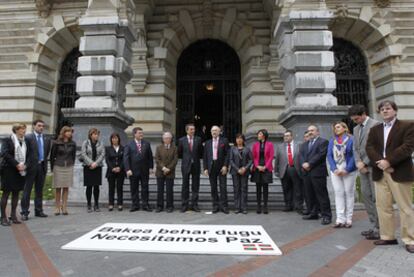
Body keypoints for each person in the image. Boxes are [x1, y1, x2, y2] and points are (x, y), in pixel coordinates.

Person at [366, 100, 414, 253]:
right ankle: (388, 236)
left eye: (388, 108)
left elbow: (408, 147)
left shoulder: (407, 125)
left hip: (399, 171)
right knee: (383, 206)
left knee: (405, 207)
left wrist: (389, 161)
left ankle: (410, 239)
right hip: (380, 172)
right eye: (382, 109)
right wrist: (380, 162)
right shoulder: (375, 129)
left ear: (395, 110)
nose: (385, 111)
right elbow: (370, 147)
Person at [349, 104, 380, 239]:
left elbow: (377, 146)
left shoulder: (376, 124)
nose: (355, 122)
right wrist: (358, 163)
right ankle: (374, 226)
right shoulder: (356, 129)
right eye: (353, 120)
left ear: (363, 114)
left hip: (374, 167)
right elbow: (355, 148)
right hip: (362, 168)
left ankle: (381, 228)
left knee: (376, 198)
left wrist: (365, 162)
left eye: (356, 119)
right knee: (366, 197)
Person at [327, 122, 357, 228]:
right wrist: (334, 169)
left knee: (349, 193)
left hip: (348, 169)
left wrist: (347, 169)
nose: (336, 129)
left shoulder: (351, 139)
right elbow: (329, 155)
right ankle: (340, 219)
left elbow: (354, 155)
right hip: (335, 169)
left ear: (345, 128)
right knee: (338, 193)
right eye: (335, 128)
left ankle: (348, 219)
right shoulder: (332, 141)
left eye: (338, 127)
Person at [300, 125, 332, 225]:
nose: (310, 132)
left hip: (318, 172)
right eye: (309, 131)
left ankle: (326, 215)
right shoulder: (304, 144)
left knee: (322, 195)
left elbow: (321, 155)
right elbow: (301, 156)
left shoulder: (323, 142)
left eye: (312, 130)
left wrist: (310, 164)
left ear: (317, 132)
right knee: (310, 194)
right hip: (307, 173)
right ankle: (313, 213)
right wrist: (304, 164)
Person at [20, 119, 51, 220]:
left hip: (42, 166)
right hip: (31, 167)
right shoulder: (28, 137)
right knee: (27, 190)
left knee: (39, 190)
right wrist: (26, 165)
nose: (41, 127)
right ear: (34, 126)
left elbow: (46, 153)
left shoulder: (46, 139)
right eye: (39, 125)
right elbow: (25, 152)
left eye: (42, 126)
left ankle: (39, 210)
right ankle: (24, 212)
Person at [0, 123, 30, 226]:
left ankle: (13, 215)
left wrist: (25, 165)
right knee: (6, 193)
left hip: (20, 171)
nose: (24, 131)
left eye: (24, 129)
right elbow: (4, 153)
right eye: (22, 129)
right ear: (16, 130)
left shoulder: (24, 142)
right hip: (8, 170)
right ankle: (3, 217)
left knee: (16, 193)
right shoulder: (7, 140)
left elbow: (28, 155)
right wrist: (16, 164)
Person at [124, 127, 154, 212]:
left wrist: (151, 167)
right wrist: (127, 169)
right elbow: (126, 158)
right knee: (134, 188)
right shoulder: (129, 144)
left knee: (145, 188)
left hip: (144, 171)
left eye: (142, 133)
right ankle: (135, 205)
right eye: (139, 133)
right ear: (135, 134)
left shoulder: (146, 144)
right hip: (133, 171)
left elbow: (150, 157)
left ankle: (145, 205)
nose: (141, 134)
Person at [274, 130, 304, 213]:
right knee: (286, 189)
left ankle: (299, 206)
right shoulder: (280, 147)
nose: (286, 137)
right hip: (284, 170)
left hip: (296, 169)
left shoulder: (299, 145)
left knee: (298, 189)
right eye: (284, 136)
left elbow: (302, 157)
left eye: (287, 136)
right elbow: (277, 159)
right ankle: (288, 205)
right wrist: (276, 170)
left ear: (291, 136)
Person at [50, 126, 76, 215]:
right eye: (68, 131)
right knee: (58, 187)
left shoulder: (73, 143)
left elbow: (73, 155)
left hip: (68, 166)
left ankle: (64, 206)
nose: (69, 133)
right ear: (63, 132)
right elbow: (52, 156)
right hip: (58, 166)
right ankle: (57, 207)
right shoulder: (56, 143)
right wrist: (52, 167)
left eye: (70, 132)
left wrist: (71, 163)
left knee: (66, 187)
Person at [204, 125, 230, 214]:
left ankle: (224, 206)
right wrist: (205, 168)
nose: (214, 132)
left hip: (221, 167)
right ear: (211, 132)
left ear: (219, 132)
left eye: (216, 130)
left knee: (223, 187)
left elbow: (227, 154)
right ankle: (215, 206)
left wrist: (225, 166)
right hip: (211, 167)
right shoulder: (207, 143)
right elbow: (205, 156)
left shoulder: (224, 141)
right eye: (212, 131)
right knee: (213, 188)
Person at [178, 123, 203, 212]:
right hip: (185, 165)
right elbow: (179, 153)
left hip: (196, 165)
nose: (193, 131)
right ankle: (184, 205)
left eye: (194, 129)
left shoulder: (198, 139)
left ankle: (194, 205)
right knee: (185, 186)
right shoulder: (181, 140)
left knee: (195, 186)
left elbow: (201, 152)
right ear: (187, 130)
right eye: (191, 129)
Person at [80, 128, 105, 213]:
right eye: (94, 134)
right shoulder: (85, 143)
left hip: (97, 167)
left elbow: (102, 154)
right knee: (89, 186)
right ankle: (89, 204)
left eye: (97, 134)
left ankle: (96, 204)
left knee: (96, 186)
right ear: (90, 135)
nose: (96, 136)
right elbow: (83, 154)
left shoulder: (101, 143)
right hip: (88, 167)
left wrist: (96, 164)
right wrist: (91, 163)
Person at [251, 129, 274, 214]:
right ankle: (258, 206)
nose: (258, 135)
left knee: (265, 188)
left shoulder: (270, 144)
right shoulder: (255, 145)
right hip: (257, 168)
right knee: (258, 188)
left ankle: (265, 206)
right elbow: (253, 157)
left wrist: (265, 167)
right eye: (258, 134)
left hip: (266, 168)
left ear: (264, 135)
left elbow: (271, 157)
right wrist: (257, 166)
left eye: (260, 134)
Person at [154, 132, 178, 213]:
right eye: (165, 138)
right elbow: (157, 159)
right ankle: (159, 206)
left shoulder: (174, 148)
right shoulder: (158, 147)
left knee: (169, 190)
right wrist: (163, 168)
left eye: (169, 138)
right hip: (160, 171)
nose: (167, 139)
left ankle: (170, 206)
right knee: (160, 190)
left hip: (170, 172)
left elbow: (175, 160)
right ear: (163, 139)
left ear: (171, 139)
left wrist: (168, 168)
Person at [229, 133, 252, 214]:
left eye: (240, 138)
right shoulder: (232, 149)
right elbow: (231, 160)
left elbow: (250, 160)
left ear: (243, 139)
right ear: (235, 140)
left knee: (244, 189)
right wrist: (237, 169)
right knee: (236, 189)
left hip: (244, 172)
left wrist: (245, 168)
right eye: (237, 138)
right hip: (235, 172)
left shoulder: (247, 149)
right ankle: (237, 207)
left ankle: (244, 207)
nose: (239, 140)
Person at [105, 133, 125, 211]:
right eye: (113, 138)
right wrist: (112, 168)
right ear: (111, 140)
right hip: (111, 171)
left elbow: (124, 159)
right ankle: (111, 204)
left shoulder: (123, 148)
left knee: (120, 188)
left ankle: (120, 204)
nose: (114, 140)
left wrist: (120, 167)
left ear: (118, 139)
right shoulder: (108, 149)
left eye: (116, 138)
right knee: (111, 188)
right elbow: (107, 160)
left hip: (121, 171)